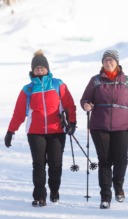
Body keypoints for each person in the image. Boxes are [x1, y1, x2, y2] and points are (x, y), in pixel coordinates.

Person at [4, 50, 77, 207]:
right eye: (37, 68)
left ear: (47, 69)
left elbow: (69, 105)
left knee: (55, 164)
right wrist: (11, 131)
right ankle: (39, 196)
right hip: (35, 133)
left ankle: (54, 191)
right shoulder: (27, 90)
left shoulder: (58, 84)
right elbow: (18, 114)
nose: (40, 70)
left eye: (42, 68)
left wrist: (72, 123)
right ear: (32, 70)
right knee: (38, 164)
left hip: (57, 130)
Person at [80, 49, 128, 209]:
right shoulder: (95, 81)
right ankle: (105, 197)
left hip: (122, 127)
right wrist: (86, 105)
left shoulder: (127, 81)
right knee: (105, 161)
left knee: (121, 160)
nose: (108, 62)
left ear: (117, 63)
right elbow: (85, 99)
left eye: (111, 60)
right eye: (106, 60)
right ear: (102, 63)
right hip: (99, 126)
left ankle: (118, 186)